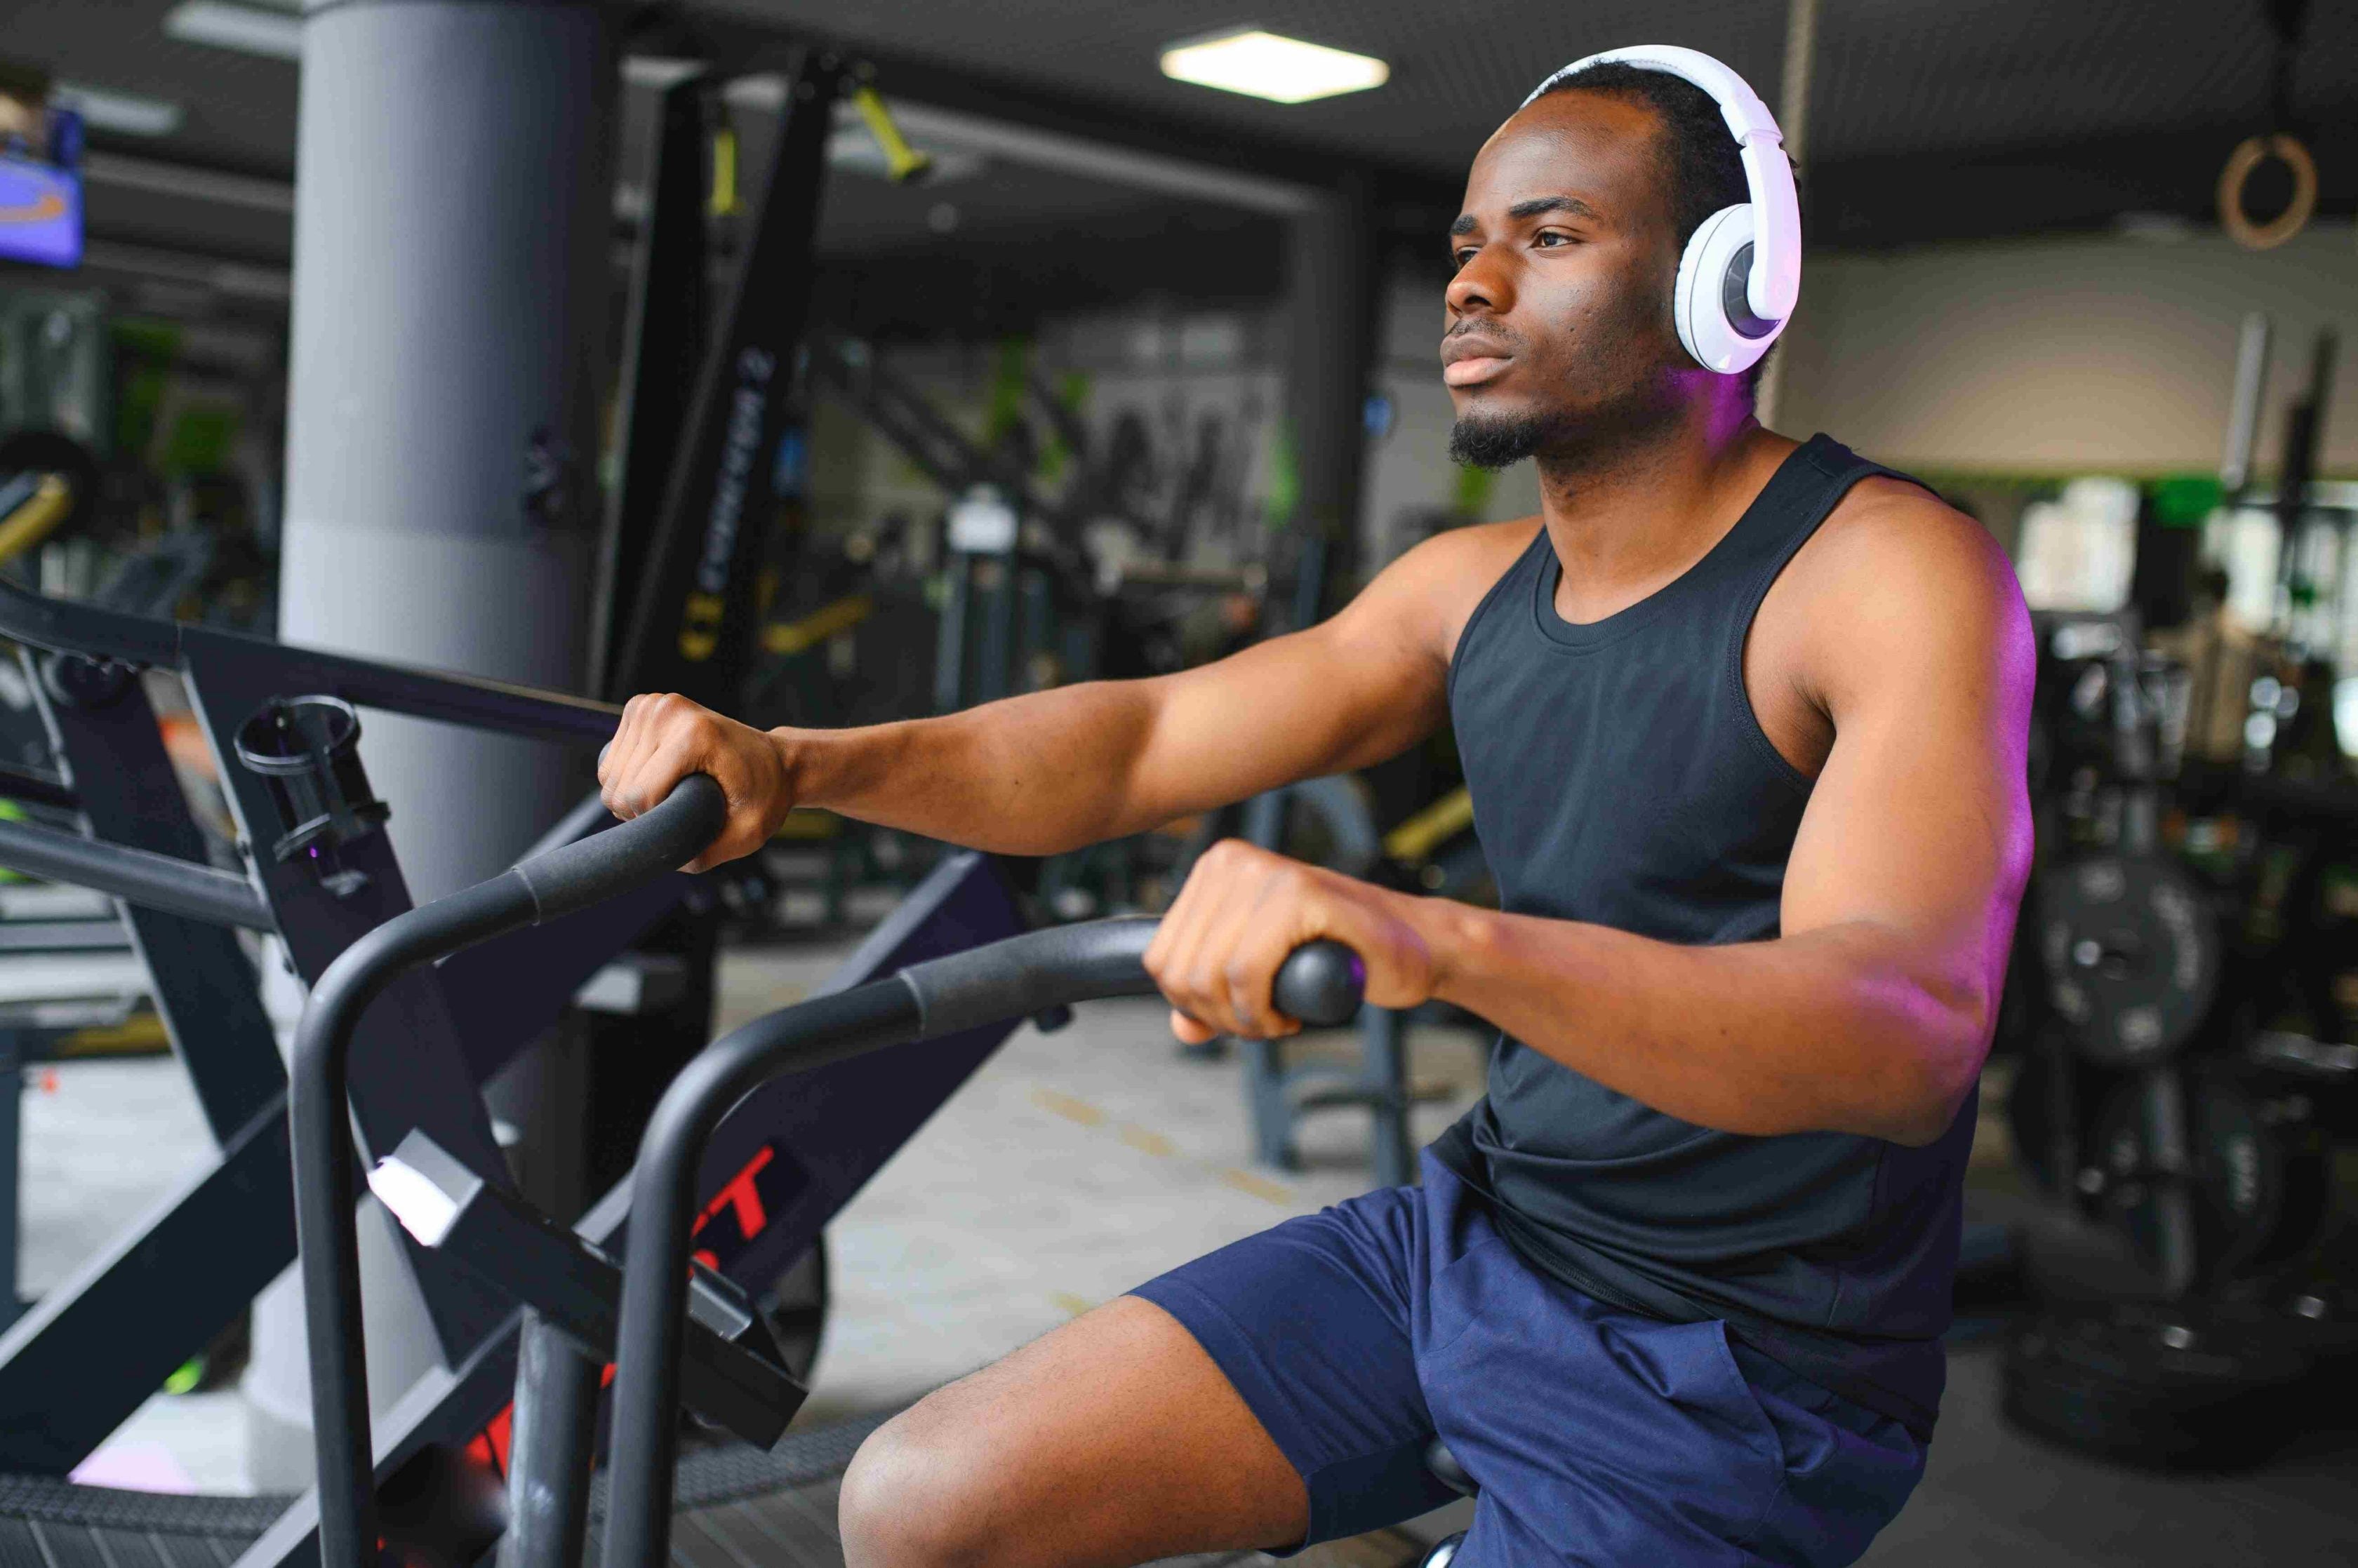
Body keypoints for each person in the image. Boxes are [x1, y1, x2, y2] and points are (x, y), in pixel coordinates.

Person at [599, 47, 2033, 1568]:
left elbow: (1906, 1029)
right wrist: (799, 760)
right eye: (1469, 241)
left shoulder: (1883, 574)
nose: (1472, 285)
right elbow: (1141, 739)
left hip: (1739, 1367)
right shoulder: (1464, 590)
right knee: (921, 1500)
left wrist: (1431, 937)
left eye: (1549, 238)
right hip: (1476, 1245)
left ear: (1724, 286)